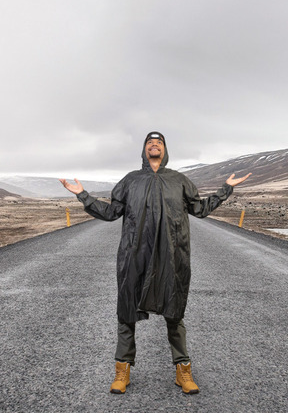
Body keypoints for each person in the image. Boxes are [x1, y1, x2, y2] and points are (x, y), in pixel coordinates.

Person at [59, 131, 251, 395]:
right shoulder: (130, 180)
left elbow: (200, 209)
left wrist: (226, 188)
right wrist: (83, 195)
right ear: (143, 149)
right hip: (134, 255)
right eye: (150, 142)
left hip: (172, 256)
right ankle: (122, 369)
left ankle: (183, 370)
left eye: (159, 142)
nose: (154, 144)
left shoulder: (179, 180)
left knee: (175, 311)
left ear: (165, 149)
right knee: (127, 311)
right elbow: (110, 212)